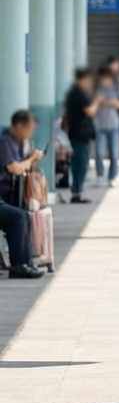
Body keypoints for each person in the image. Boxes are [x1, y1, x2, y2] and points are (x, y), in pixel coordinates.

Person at [0, 111, 45, 279]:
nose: (30, 134)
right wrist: (31, 159)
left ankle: (26, 262)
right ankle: (19, 265)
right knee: (18, 217)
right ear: (19, 126)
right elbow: (14, 168)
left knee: (24, 215)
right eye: (28, 129)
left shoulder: (15, 143)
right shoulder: (5, 141)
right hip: (4, 194)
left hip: (7, 195)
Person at [64, 68, 97, 203]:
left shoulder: (73, 93)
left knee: (79, 164)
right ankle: (77, 191)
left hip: (77, 133)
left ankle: (77, 191)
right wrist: (98, 102)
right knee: (81, 164)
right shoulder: (79, 94)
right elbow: (89, 112)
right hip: (81, 134)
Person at [93, 66, 119, 185]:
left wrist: (104, 102)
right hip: (100, 126)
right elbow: (94, 103)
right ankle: (100, 175)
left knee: (115, 153)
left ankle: (112, 177)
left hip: (114, 125)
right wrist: (110, 102)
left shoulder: (116, 89)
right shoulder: (97, 89)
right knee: (99, 153)